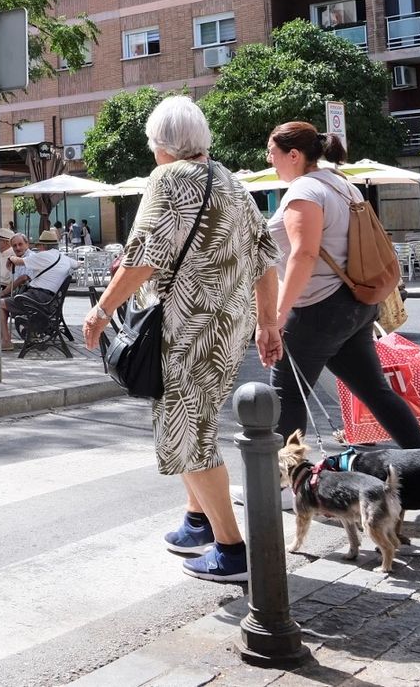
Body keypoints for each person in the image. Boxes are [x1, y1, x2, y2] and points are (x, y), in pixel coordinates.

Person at [82, 96, 281, 584]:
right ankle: (197, 521)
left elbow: (141, 257)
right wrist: (268, 324)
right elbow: (265, 257)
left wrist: (102, 308)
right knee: (201, 422)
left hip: (184, 331)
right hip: (227, 329)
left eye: (152, 143)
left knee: (187, 434)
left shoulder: (167, 180)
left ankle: (232, 551)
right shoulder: (233, 183)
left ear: (163, 145)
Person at [263, 121, 420, 454]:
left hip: (318, 307)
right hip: (354, 303)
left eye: (272, 152)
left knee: (288, 395)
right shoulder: (342, 185)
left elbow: (305, 253)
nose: (269, 160)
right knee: (376, 392)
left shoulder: (304, 191)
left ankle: (280, 484)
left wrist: (277, 315)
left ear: (293, 155)